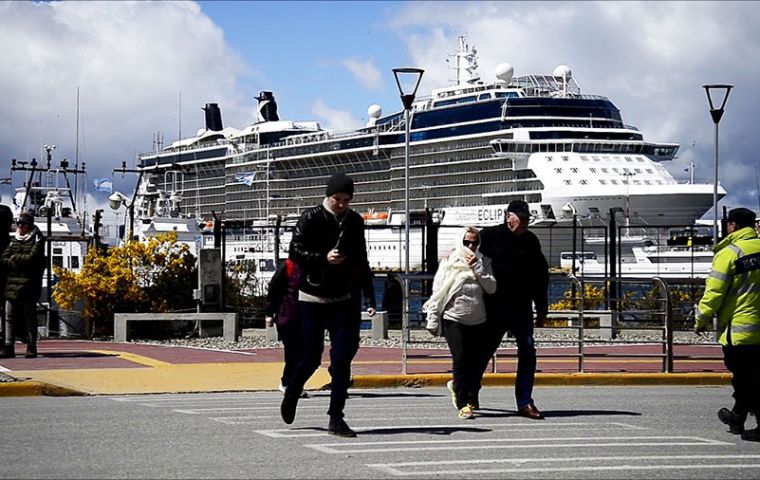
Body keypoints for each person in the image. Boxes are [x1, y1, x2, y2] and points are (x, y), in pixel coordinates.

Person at [280, 172, 373, 438]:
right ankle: (293, 390)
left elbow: (361, 259)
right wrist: (323, 258)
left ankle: (336, 417)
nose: (341, 204)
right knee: (310, 357)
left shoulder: (355, 221)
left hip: (343, 297)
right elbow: (294, 251)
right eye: (337, 199)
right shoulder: (311, 217)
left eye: (346, 200)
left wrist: (368, 295)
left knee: (342, 359)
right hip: (312, 296)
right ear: (328, 196)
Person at [477, 200, 548, 419]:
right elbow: (470, 265)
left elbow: (540, 276)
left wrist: (542, 309)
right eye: (521, 218)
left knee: (528, 350)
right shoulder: (488, 236)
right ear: (509, 216)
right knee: (483, 352)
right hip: (494, 306)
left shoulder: (531, 241)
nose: (525, 222)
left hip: (521, 306)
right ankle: (469, 392)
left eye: (527, 218)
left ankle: (525, 402)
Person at [695, 207, 760, 442]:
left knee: (744, 378)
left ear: (732, 225)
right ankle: (737, 417)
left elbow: (714, 293)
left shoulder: (730, 253)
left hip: (740, 331)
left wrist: (701, 320)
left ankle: (749, 419)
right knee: (750, 377)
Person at [423, 227, 496, 419]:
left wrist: (477, 268)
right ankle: (463, 403)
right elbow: (438, 292)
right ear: (459, 242)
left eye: (474, 242)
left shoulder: (484, 261)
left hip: (478, 320)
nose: (471, 246)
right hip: (453, 318)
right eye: (466, 242)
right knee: (461, 359)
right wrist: (432, 319)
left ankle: (463, 390)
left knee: (475, 362)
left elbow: (491, 288)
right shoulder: (449, 262)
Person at [0, 212, 46, 359]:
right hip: (12, 284)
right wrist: (17, 261)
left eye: (23, 224)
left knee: (29, 317)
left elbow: (32, 258)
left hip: (29, 284)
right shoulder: (14, 239)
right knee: (9, 316)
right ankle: (8, 346)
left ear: (30, 225)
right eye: (18, 224)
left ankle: (31, 346)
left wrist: (15, 259)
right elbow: (4, 258)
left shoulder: (37, 239)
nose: (20, 227)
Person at [263, 258, 307, 398]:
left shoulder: (314, 266)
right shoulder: (287, 267)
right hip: (287, 316)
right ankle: (288, 383)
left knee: (305, 353)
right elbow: (274, 290)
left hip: (306, 317)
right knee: (293, 351)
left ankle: (294, 383)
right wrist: (269, 313)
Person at [0, 206, 12, 353]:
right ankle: (5, 342)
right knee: (6, 311)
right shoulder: (6, 240)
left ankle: (5, 342)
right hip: (5, 274)